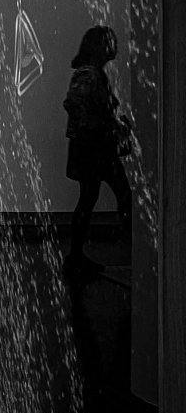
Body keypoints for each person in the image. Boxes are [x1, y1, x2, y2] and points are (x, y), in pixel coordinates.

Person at [62, 26, 132, 275]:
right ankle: (143, 249)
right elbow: (77, 106)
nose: (115, 46)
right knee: (122, 195)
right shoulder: (90, 75)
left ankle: (75, 257)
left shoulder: (90, 74)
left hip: (91, 147)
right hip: (94, 148)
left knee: (90, 198)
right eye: (109, 42)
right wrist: (109, 124)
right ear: (98, 47)